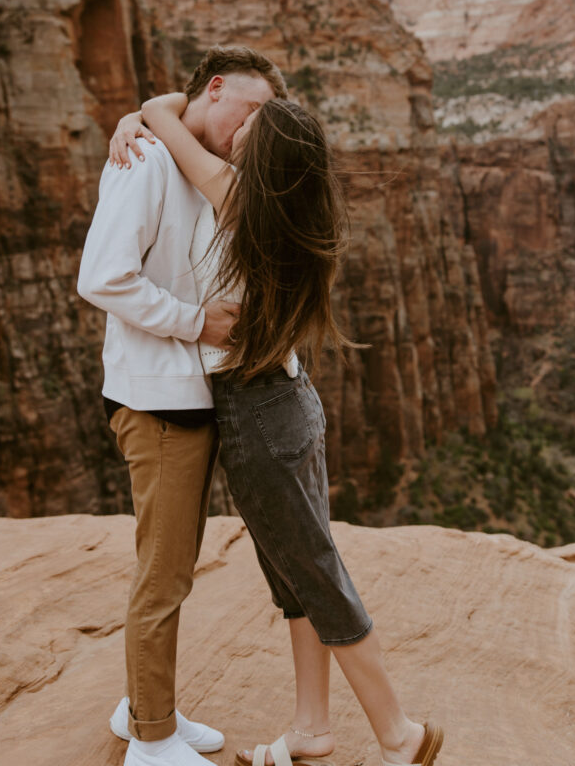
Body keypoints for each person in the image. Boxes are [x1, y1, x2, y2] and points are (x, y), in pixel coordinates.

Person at [108, 90, 444, 766]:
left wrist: (140, 114)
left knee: (313, 575)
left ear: (267, 155)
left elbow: (168, 120)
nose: (233, 130)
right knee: (294, 576)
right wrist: (140, 118)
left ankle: (398, 736)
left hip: (260, 417)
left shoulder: (240, 197)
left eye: (249, 127)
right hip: (289, 402)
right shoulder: (295, 206)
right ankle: (311, 730)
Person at [77, 45, 288, 766]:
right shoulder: (145, 160)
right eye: (251, 107)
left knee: (174, 562)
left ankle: (144, 703)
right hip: (156, 401)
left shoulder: (180, 150)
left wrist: (153, 108)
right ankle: (153, 741)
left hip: (191, 395)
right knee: (163, 573)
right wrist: (196, 321)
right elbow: (101, 277)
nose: (255, 125)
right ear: (216, 87)